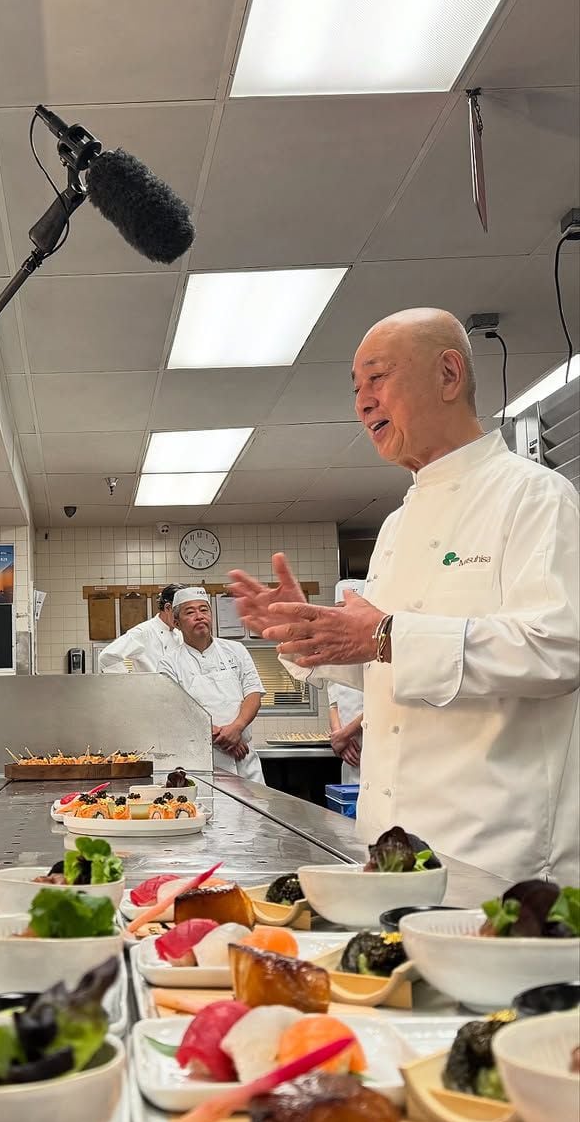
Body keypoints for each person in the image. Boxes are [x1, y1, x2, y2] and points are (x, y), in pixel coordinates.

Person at [228, 308, 579, 884]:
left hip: (496, 856)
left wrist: (386, 634)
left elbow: (559, 649)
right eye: (357, 388)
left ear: (448, 375)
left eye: (378, 378)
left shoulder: (536, 496)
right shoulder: (395, 527)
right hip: (389, 844)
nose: (362, 402)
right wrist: (309, 639)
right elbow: (394, 667)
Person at [159, 585, 265, 782]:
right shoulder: (169, 663)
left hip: (244, 759)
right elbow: (177, 710)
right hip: (203, 763)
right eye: (190, 612)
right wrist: (226, 739)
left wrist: (237, 728)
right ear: (176, 622)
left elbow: (254, 694)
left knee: (253, 812)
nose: (199, 616)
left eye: (204, 610)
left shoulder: (236, 650)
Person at [327, 580, 366, 785]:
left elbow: (384, 700)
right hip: (348, 753)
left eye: (347, 609)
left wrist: (346, 733)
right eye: (338, 610)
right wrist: (338, 736)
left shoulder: (379, 647)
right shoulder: (337, 652)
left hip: (371, 747)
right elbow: (334, 702)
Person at [97, 583, 182, 673]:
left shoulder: (179, 633)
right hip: (151, 686)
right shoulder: (143, 632)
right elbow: (107, 657)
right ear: (168, 608)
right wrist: (130, 681)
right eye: (186, 611)